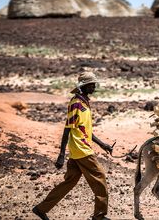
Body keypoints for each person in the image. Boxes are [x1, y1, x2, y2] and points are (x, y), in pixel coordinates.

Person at [32, 71, 113, 220]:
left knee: (69, 182)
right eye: (91, 84)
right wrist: (61, 154)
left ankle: (41, 208)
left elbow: (84, 130)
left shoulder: (84, 102)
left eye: (94, 84)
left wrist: (103, 144)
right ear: (84, 86)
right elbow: (67, 129)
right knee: (100, 178)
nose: (94, 87)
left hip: (78, 151)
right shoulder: (76, 104)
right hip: (81, 150)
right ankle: (99, 216)